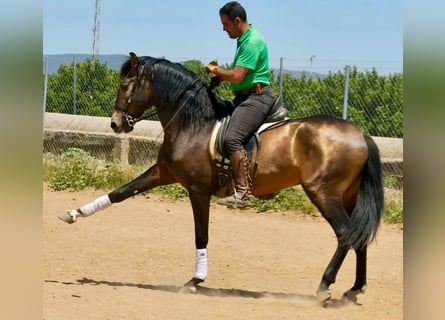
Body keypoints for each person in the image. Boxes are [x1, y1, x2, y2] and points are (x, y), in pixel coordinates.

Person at [207, 1, 275, 208]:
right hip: (245, 97)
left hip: (256, 98)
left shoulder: (251, 41)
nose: (223, 29)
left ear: (237, 21)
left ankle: (243, 193)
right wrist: (220, 78)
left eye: (226, 24)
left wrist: (217, 70)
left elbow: (237, 76)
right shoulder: (244, 38)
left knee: (232, 139)